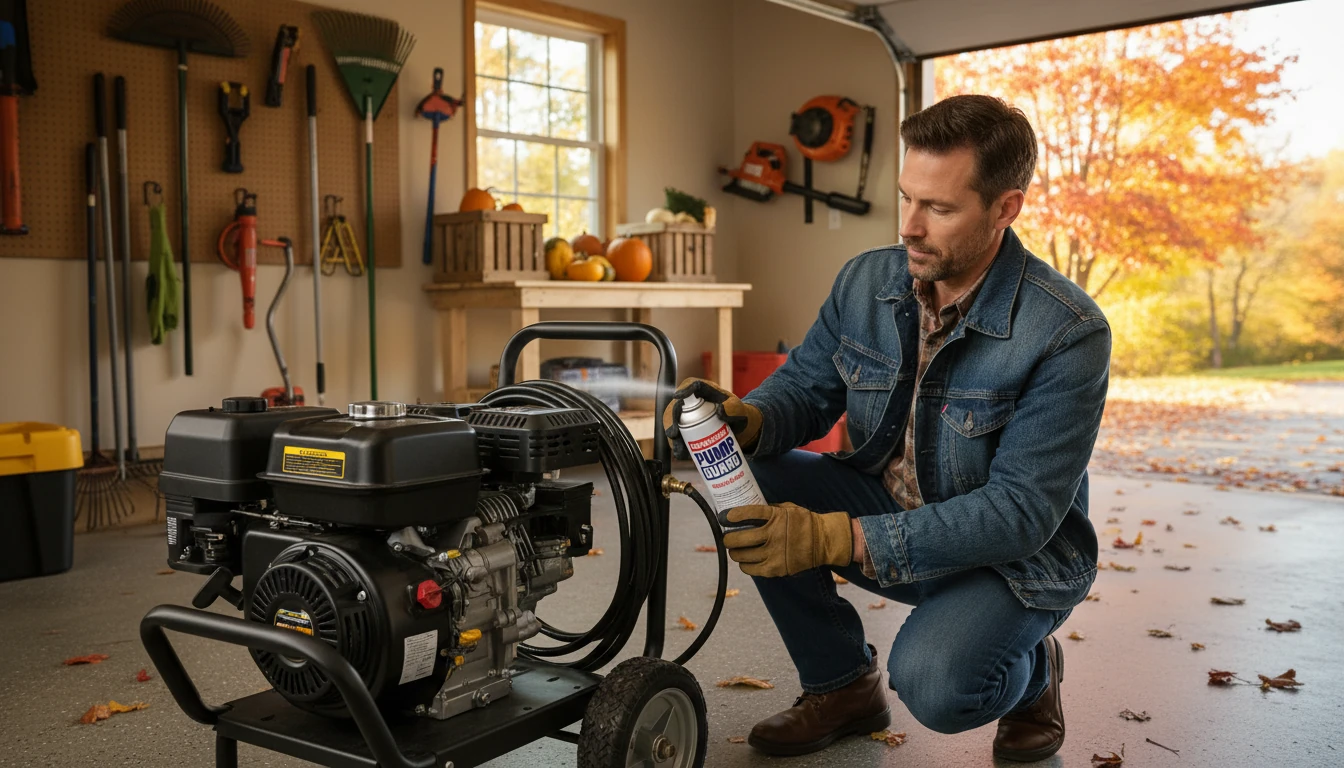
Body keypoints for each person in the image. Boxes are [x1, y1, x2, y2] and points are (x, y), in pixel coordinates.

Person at [665, 94, 1110, 761]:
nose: (909, 226)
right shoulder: (867, 281)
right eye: (905, 198)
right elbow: (805, 390)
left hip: (1010, 562)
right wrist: (750, 420)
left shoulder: (1067, 332)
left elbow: (1020, 513)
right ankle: (840, 686)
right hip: (889, 514)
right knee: (747, 473)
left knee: (938, 687)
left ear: (1005, 208)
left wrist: (835, 536)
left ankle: (1035, 676)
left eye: (938, 208)